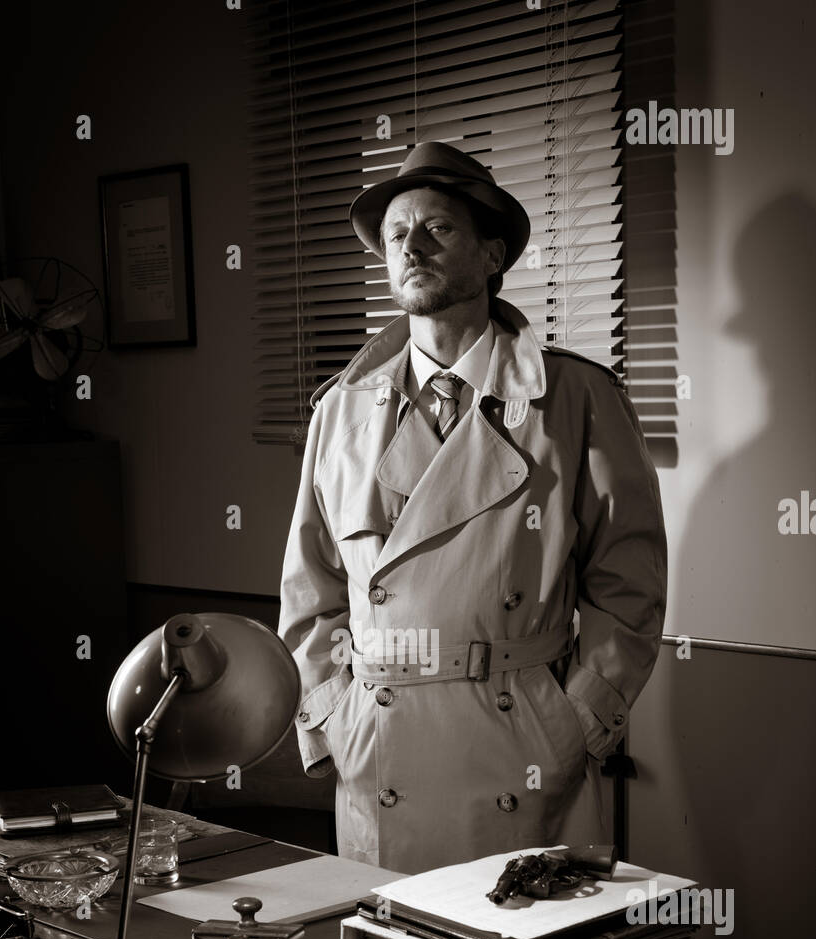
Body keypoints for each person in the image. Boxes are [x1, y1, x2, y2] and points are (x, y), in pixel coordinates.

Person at [278, 142, 667, 875]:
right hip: (380, 749)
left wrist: (574, 722)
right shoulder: (340, 410)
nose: (411, 247)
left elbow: (630, 583)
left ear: (492, 255)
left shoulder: (576, 398)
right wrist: (331, 717)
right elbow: (312, 584)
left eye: (438, 229)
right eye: (396, 235)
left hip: (519, 745)